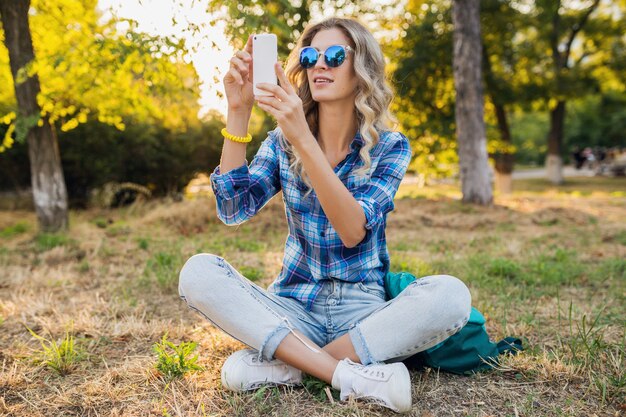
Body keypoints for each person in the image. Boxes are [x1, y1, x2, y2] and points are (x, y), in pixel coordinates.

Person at [178, 17, 471, 413]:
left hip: (361, 312)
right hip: (292, 305)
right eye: (310, 56)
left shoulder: (390, 147)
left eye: (334, 56)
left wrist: (302, 137)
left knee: (451, 295)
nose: (319, 65)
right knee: (198, 272)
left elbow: (353, 230)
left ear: (362, 69)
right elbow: (233, 208)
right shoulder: (283, 141)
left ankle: (290, 365)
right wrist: (237, 111)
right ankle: (345, 375)